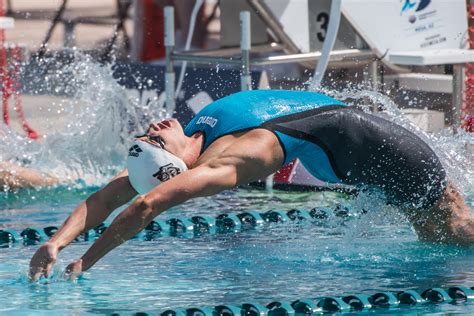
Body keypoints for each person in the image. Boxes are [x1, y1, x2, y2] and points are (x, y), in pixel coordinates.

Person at [28, 90, 473, 280]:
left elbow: (108, 195)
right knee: (452, 233)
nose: (153, 124)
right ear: (171, 164)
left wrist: (57, 242)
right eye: (154, 138)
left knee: (448, 233)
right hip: (372, 151)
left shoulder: (197, 135)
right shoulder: (222, 164)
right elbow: (145, 205)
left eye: (147, 135)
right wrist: (87, 260)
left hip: (368, 146)